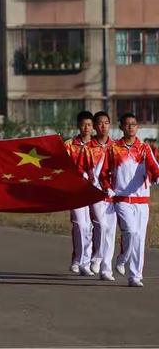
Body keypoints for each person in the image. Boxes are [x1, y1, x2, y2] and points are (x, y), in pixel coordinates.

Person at [99, 112, 159, 287]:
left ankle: (135, 276)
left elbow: (154, 167)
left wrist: (156, 176)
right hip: (122, 199)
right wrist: (108, 188)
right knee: (131, 232)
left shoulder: (144, 148)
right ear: (121, 127)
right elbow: (103, 172)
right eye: (127, 124)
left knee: (139, 238)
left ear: (137, 127)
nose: (131, 127)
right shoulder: (113, 149)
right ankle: (122, 257)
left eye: (134, 124)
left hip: (142, 201)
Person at [77, 111, 114, 277]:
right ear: (95, 126)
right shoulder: (88, 148)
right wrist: (86, 177)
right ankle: (96, 258)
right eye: (99, 123)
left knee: (110, 231)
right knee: (101, 225)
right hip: (96, 193)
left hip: (114, 194)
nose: (103, 126)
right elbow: (79, 169)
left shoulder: (116, 146)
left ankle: (106, 268)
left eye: (106, 123)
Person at [64, 111, 94, 276]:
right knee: (80, 225)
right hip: (75, 191)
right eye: (83, 125)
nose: (86, 128)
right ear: (78, 126)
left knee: (91, 226)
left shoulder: (96, 145)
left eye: (89, 125)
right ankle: (78, 259)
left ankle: (85, 261)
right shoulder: (69, 145)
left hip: (95, 191)